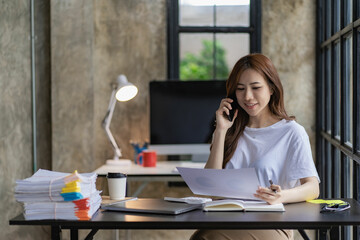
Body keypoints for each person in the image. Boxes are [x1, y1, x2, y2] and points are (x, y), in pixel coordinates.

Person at [190, 53, 320, 240]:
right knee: (204, 236)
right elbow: (211, 190)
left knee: (205, 238)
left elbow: (313, 188)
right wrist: (220, 131)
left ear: (272, 88)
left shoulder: (292, 132)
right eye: (240, 89)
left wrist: (281, 196)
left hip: (272, 223)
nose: (248, 97)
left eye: (256, 87)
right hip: (228, 220)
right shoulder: (229, 130)